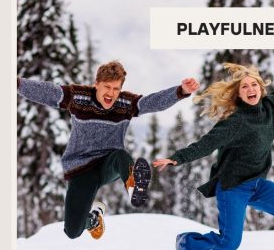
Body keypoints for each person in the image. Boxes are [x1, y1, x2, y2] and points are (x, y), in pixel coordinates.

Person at [153, 51, 274, 250]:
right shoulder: (236, 122)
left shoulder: (271, 105)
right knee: (229, 243)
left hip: (257, 185)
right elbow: (206, 144)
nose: (251, 89)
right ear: (238, 94)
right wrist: (176, 159)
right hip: (232, 187)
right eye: (244, 87)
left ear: (261, 88)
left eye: (254, 85)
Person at [17, 60, 198, 239]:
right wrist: (17, 83)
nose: (111, 93)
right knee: (72, 231)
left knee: (121, 155)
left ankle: (134, 186)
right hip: (81, 169)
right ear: (97, 84)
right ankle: (94, 219)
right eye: (107, 87)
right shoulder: (78, 97)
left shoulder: (127, 103)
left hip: (109, 164)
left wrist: (180, 91)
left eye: (116, 88)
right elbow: (48, 91)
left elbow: (152, 102)